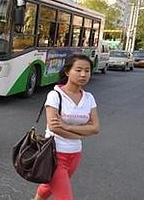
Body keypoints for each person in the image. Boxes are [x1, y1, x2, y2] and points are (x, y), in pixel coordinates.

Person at [34, 54, 100, 200]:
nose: (83, 74)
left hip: (75, 154)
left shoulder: (89, 98)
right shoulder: (55, 95)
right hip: (55, 155)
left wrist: (67, 126)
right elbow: (54, 127)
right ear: (67, 72)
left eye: (87, 70)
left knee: (48, 187)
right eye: (78, 70)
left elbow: (95, 127)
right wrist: (82, 133)